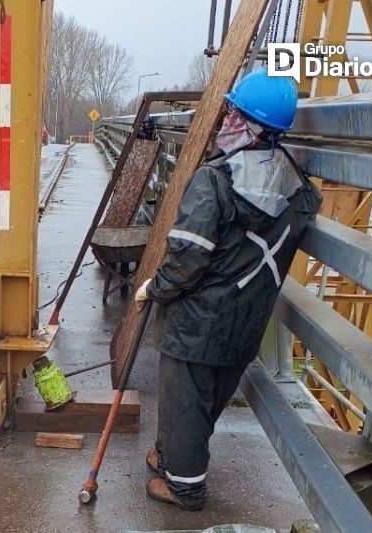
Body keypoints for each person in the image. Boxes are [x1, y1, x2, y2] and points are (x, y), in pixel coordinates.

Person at [133, 70, 322, 511]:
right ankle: (171, 457)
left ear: (250, 125)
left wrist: (155, 289)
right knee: (207, 398)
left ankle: (185, 487)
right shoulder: (299, 190)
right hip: (245, 322)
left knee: (186, 402)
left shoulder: (215, 181)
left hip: (198, 322)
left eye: (233, 112)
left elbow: (186, 261)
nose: (226, 120)